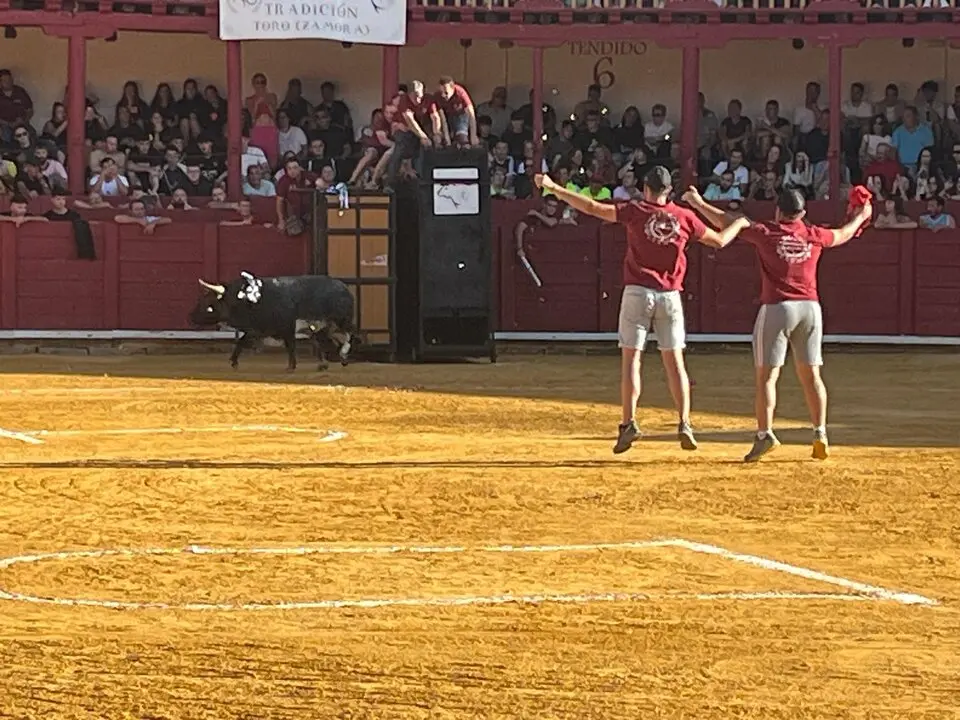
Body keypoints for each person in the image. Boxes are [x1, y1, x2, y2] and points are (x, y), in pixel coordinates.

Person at [535, 166, 751, 455]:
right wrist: (739, 223)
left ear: (645, 188)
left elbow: (592, 207)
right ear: (669, 192)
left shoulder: (636, 210)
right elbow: (721, 241)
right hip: (670, 296)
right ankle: (684, 422)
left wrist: (554, 188)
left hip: (638, 292)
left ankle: (629, 422)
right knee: (675, 364)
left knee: (631, 361)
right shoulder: (684, 218)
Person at [683, 187, 872, 462]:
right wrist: (862, 215)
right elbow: (843, 235)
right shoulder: (813, 234)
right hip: (810, 310)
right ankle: (820, 432)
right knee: (812, 376)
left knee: (767, 378)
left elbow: (726, 221)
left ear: (777, 210)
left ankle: (764, 434)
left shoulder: (767, 232)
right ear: (802, 213)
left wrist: (698, 203)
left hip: (777, 309)